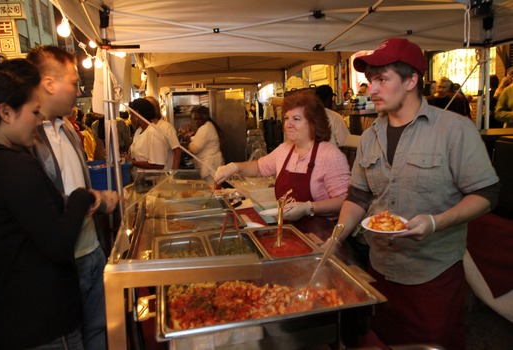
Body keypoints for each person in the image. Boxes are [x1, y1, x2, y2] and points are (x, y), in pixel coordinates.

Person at [337, 38, 499, 349]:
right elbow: (358, 197)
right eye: (371, 80)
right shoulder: (370, 137)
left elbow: (487, 193)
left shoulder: (454, 130)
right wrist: (335, 240)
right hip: (379, 269)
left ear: (412, 80)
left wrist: (435, 222)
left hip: (432, 276)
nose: (372, 89)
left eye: (382, 79)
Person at [0, 58, 99, 349]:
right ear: (6, 112)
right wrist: (80, 196)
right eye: (34, 112)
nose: (39, 120)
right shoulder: (15, 166)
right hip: (43, 320)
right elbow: (58, 243)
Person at [27, 45, 119, 350]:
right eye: (74, 82)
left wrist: (101, 200)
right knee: (71, 338)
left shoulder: (68, 128)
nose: (78, 89)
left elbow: (80, 182)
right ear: (50, 84)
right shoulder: (27, 136)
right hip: (63, 260)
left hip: (91, 249)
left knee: (99, 331)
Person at [214, 89, 350, 222]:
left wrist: (309, 208)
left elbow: (345, 201)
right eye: (286, 118)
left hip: (320, 235)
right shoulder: (284, 150)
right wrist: (234, 166)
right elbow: (259, 167)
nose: (288, 124)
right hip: (288, 230)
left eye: (296, 119)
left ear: (313, 123)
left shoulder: (330, 155)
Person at [127, 98, 167, 177]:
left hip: (151, 180)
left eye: (131, 114)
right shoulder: (139, 132)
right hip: (140, 179)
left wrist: (133, 162)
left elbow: (159, 165)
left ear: (137, 114)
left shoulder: (154, 133)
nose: (130, 118)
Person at [186, 105, 224, 181]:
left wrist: (188, 142)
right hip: (209, 165)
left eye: (198, 119)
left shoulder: (206, 128)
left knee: (212, 190)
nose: (196, 122)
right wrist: (190, 137)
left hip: (211, 166)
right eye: (194, 120)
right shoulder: (206, 126)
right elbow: (199, 139)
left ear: (205, 117)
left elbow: (195, 148)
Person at [145, 95, 182, 170]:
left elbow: (177, 150)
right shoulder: (143, 128)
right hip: (149, 175)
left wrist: (173, 173)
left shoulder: (166, 127)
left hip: (165, 173)